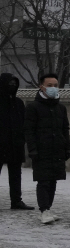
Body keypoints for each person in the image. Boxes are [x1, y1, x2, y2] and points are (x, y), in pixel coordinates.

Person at [24, 72, 70, 224]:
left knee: (53, 181)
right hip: (41, 150)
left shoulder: (61, 108)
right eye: (49, 85)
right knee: (43, 180)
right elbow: (29, 131)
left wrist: (67, 148)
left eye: (55, 85)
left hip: (57, 149)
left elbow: (65, 129)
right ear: (41, 87)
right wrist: (32, 149)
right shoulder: (33, 107)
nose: (53, 88)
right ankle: (43, 209)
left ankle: (48, 208)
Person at [0, 73, 33, 210]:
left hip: (15, 144)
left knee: (15, 174)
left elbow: (24, 123)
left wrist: (22, 138)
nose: (12, 87)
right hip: (1, 144)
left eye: (14, 84)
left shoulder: (18, 103)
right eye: (10, 84)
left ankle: (16, 200)